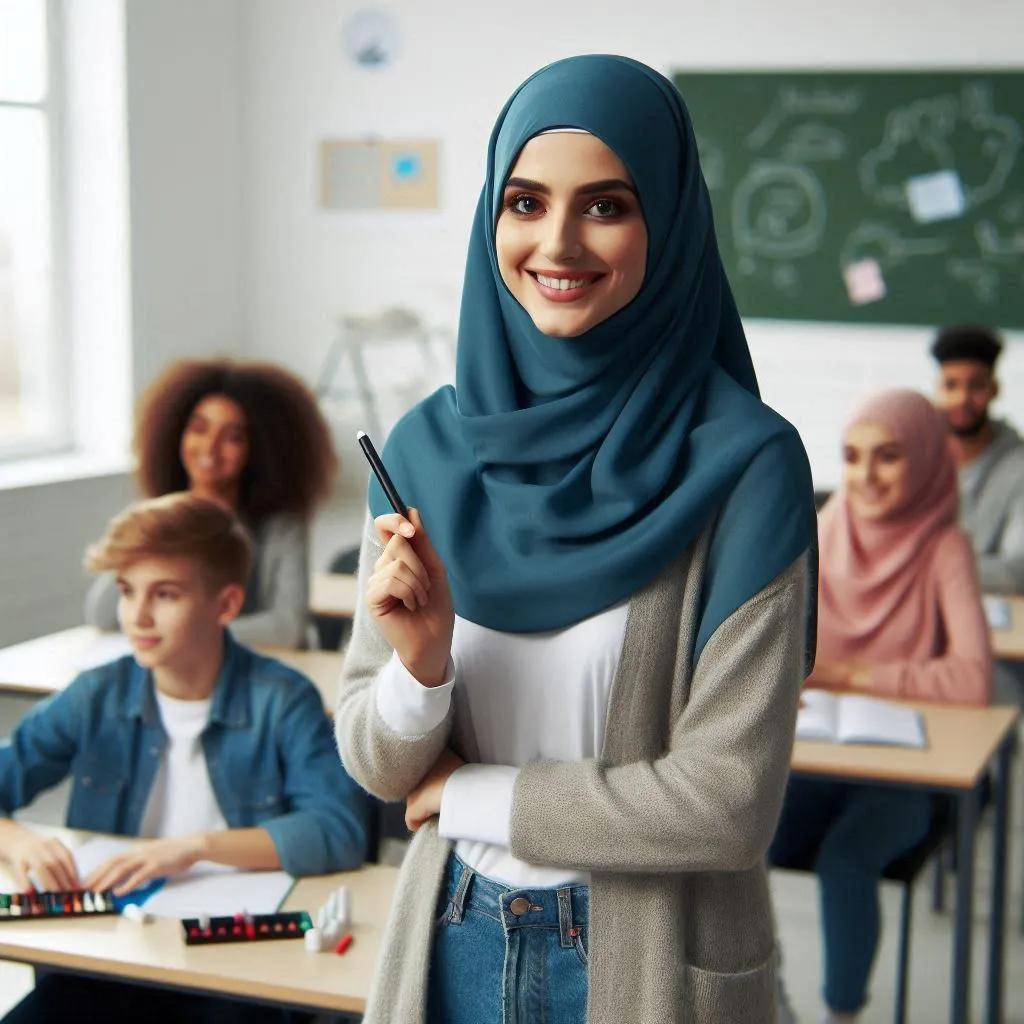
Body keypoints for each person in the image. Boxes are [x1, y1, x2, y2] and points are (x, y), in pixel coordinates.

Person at [336, 55, 817, 1024]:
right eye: (524, 201)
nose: (556, 242)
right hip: (449, 943)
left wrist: (475, 794)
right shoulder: (426, 447)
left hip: (647, 958)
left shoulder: (746, 465)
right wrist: (420, 669)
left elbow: (727, 800)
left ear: (668, 224)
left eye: (605, 206)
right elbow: (376, 763)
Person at [1, 493, 367, 1023]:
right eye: (128, 592)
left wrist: (193, 848)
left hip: (235, 971)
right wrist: (17, 839)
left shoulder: (282, 699)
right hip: (108, 961)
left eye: (165, 594)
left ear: (226, 605)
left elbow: (338, 830)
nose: (138, 616)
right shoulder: (96, 694)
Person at [770, 389, 992, 1024]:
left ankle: (844, 1014)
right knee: (733, 834)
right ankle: (766, 998)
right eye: (854, 457)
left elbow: (972, 679)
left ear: (923, 459)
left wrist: (849, 672)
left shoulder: (945, 547)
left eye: (888, 457)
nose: (866, 476)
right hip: (814, 760)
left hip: (901, 774)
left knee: (847, 859)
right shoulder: (827, 525)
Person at [85, 359, 338, 647]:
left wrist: (185, 633)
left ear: (260, 449)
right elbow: (103, 614)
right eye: (199, 428)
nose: (210, 447)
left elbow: (286, 629)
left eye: (233, 437)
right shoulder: (157, 517)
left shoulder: (280, 527)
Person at [932, 323, 1024, 594]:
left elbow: (1017, 570)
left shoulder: (1019, 467)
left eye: (976, 385)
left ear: (995, 389)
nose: (962, 398)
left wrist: (927, 566)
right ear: (938, 388)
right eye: (951, 385)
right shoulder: (918, 455)